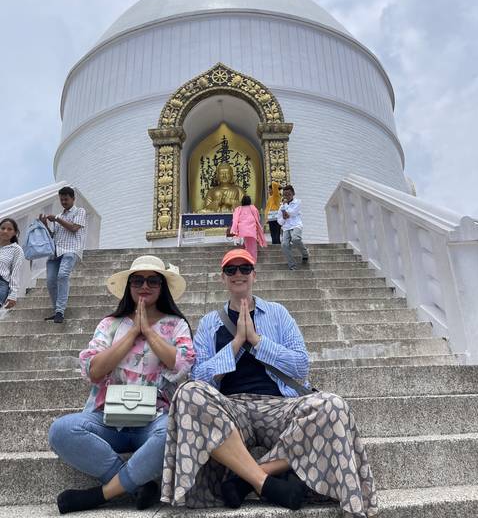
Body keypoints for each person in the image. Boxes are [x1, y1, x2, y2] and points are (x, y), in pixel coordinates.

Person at [161, 248, 378, 517]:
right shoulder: (209, 323)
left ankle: (246, 479)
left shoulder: (278, 314)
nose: (238, 274)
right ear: (223, 278)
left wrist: (257, 341)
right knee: (189, 393)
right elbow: (200, 378)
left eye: (244, 269)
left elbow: (301, 365)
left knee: (332, 405)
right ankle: (266, 483)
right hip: (231, 408)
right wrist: (237, 343)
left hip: (279, 405)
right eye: (231, 270)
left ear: (254, 274)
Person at [48, 255, 195, 515]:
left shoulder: (175, 324)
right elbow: (93, 371)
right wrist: (131, 334)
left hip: (154, 418)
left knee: (173, 432)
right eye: (137, 280)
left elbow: (182, 365)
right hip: (108, 418)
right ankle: (137, 485)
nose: (144, 286)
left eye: (153, 281)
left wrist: (149, 332)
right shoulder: (110, 324)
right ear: (129, 286)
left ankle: (103, 494)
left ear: (163, 287)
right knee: (61, 430)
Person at [39, 186, 86, 323]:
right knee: (50, 282)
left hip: (71, 250)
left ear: (73, 198)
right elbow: (54, 235)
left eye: (66, 199)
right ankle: (56, 310)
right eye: (61, 199)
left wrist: (57, 220)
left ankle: (60, 311)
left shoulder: (80, 211)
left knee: (63, 275)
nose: (64, 202)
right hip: (55, 252)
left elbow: (74, 228)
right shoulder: (59, 216)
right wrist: (45, 225)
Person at [277, 184, 309, 270]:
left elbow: (292, 212)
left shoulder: (298, 202)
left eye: (289, 194)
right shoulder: (281, 206)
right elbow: (279, 220)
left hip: (296, 225)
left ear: (293, 193)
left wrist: (285, 207)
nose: (287, 196)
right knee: (284, 245)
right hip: (286, 227)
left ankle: (305, 253)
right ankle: (292, 265)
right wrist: (284, 217)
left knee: (295, 239)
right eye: (285, 194)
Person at [230, 195, 266, 263]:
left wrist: (234, 229)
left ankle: (247, 259)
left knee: (247, 245)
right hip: (251, 231)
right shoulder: (253, 208)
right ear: (249, 201)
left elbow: (235, 220)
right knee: (252, 247)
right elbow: (257, 217)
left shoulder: (238, 209)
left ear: (242, 201)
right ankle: (252, 260)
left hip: (242, 230)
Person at [0, 218, 24, 309]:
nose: (5, 231)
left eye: (9, 229)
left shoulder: (16, 250)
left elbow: (15, 273)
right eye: (2, 228)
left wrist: (13, 294)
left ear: (14, 232)